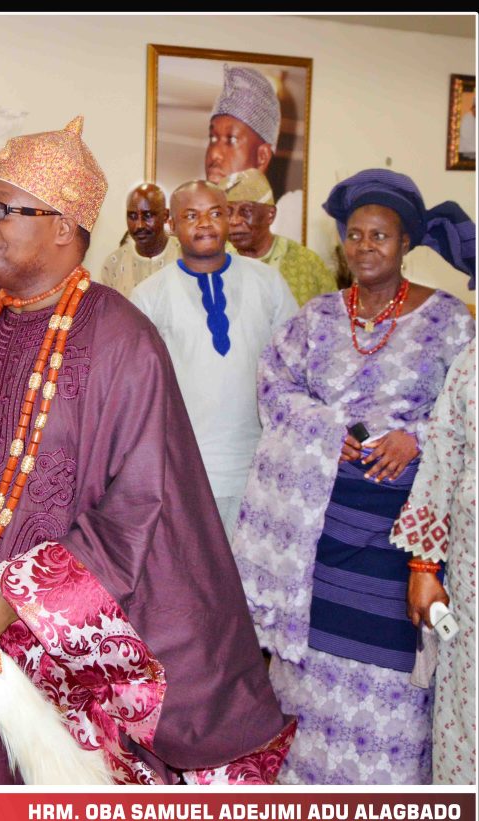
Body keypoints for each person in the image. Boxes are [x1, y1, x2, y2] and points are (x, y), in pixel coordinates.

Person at [0, 117, 294, 786]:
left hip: (56, 647)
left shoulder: (124, 343)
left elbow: (142, 505)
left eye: (3, 209)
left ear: (64, 226)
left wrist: (11, 599)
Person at [232, 169, 476, 784]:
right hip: (320, 532)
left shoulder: (450, 320)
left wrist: (412, 437)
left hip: (405, 540)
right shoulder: (315, 318)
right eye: (356, 235)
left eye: (382, 236)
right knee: (312, 673)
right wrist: (323, 430)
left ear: (405, 245)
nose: (367, 247)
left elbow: (468, 412)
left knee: (391, 670)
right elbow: (275, 386)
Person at [131, 180, 298, 539]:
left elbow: (296, 368)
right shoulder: (147, 297)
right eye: (191, 215)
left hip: (257, 468)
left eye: (216, 213)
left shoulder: (268, 283)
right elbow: (136, 392)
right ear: (171, 226)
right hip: (182, 471)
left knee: (251, 583)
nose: (205, 223)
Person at [390, 338, 477, 784]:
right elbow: (444, 458)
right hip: (475, 573)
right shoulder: (475, 359)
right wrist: (424, 566)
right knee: (470, 708)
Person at [205, 63, 302, 243]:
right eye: (212, 138)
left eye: (231, 140)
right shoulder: (195, 228)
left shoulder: (286, 227)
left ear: (262, 156)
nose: (215, 154)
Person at [220, 168, 337, 305]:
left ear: (271, 215)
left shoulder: (307, 264)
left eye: (246, 211)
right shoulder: (214, 261)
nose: (234, 221)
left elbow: (332, 318)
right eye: (227, 213)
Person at [98, 182, 180, 297]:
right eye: (132, 216)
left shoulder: (185, 255)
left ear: (165, 215)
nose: (139, 225)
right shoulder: (113, 264)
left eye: (147, 216)